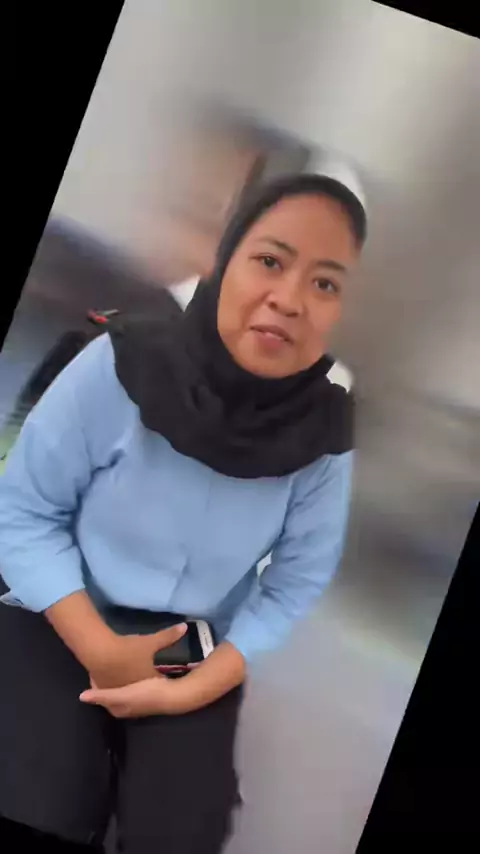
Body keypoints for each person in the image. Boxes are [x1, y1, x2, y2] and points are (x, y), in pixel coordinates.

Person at [0, 173, 367, 853]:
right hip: (59, 610)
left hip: (191, 648)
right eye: (270, 261)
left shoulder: (325, 434)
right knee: (43, 801)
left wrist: (197, 687)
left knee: (181, 830)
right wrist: (99, 648)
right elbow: (23, 512)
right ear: (226, 261)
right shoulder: (117, 361)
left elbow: (294, 584)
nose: (289, 300)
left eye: (324, 282)